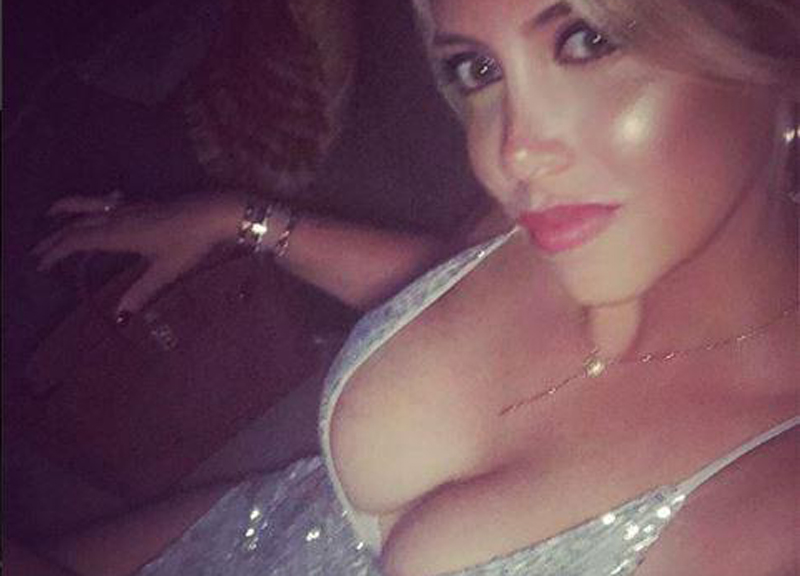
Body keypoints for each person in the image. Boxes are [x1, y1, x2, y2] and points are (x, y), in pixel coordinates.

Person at [9, 0, 798, 574]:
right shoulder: (562, 210)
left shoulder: (772, 508)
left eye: (587, 41)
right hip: (234, 530)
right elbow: (443, 288)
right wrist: (239, 220)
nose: (512, 153)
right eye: (478, 69)